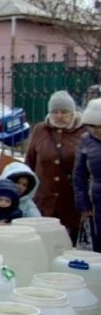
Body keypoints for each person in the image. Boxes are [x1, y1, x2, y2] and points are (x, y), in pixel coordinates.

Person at [25, 90, 86, 242]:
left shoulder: (83, 132)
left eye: (64, 112)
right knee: (43, 242)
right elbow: (30, 161)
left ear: (72, 113)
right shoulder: (40, 129)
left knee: (69, 244)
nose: (59, 116)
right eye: (55, 112)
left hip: (71, 201)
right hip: (43, 199)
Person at [74, 99, 101, 249]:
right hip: (95, 203)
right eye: (91, 126)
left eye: (99, 127)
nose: (95, 130)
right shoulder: (86, 140)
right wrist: (82, 204)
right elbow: (79, 173)